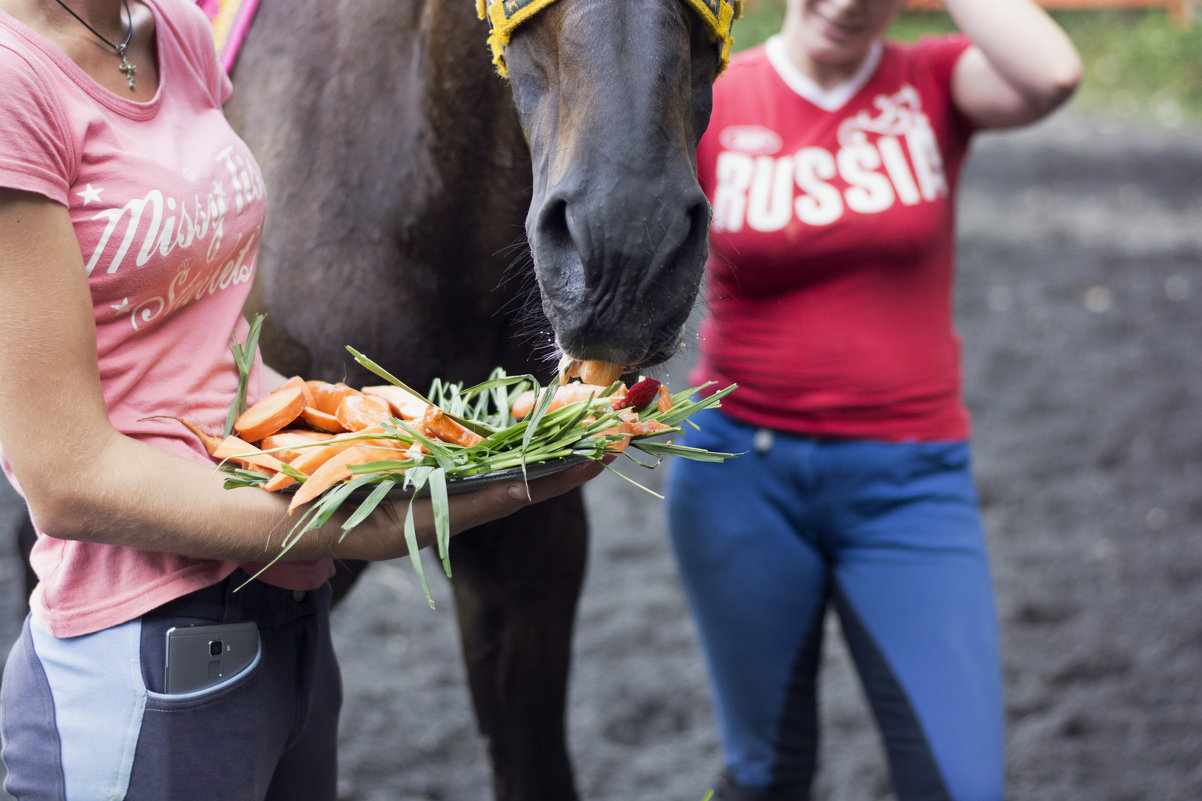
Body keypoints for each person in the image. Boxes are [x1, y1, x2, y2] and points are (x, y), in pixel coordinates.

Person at [0, 0, 605, 797]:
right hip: (142, 646)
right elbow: (68, 478)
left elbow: (214, 349)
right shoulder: (15, 82)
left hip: (288, 628)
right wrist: (381, 516)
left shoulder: (169, 28)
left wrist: (447, 438)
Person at [665, 1, 1081, 799]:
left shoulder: (932, 79)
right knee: (764, 775)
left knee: (962, 784)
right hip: (739, 484)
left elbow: (1054, 72)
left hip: (910, 487)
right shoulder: (714, 96)